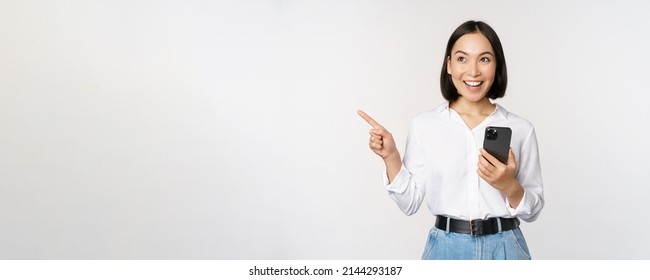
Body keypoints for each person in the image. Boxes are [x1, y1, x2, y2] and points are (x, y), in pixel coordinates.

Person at [358, 20, 544, 260]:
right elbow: (409, 203)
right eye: (462, 58)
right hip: (446, 249)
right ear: (449, 65)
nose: (473, 71)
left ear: (496, 66)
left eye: (484, 59)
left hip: (506, 248)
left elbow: (533, 210)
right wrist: (391, 157)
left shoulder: (520, 129)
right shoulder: (424, 125)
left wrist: (508, 184)